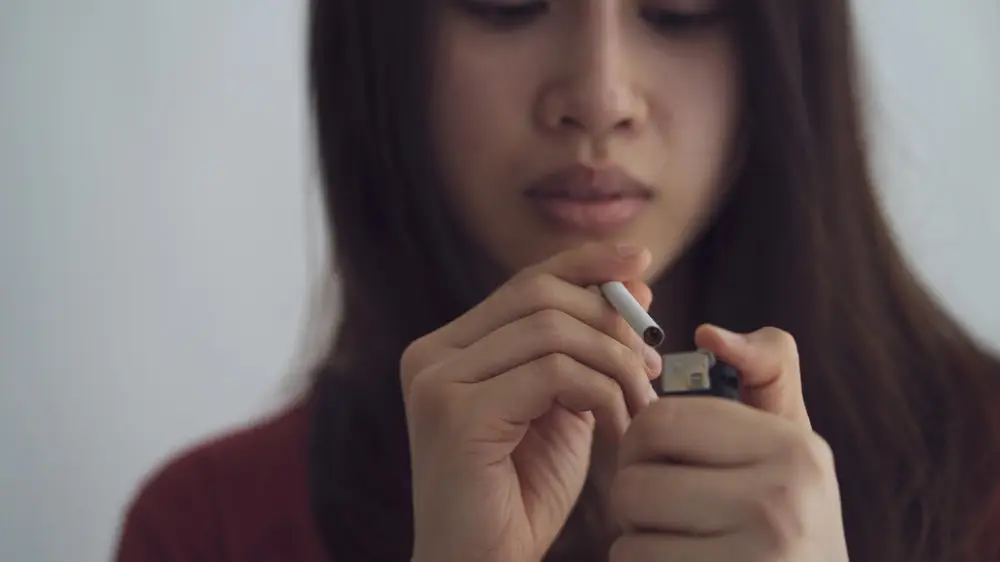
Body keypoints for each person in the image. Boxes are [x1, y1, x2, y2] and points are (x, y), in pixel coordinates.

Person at [113, 0, 1000, 561]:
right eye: (507, 4)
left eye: (680, 9)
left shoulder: (985, 470)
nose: (600, 97)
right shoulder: (209, 527)